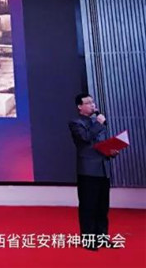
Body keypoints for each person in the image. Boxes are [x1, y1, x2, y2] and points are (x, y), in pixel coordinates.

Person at [68, 93, 119, 250]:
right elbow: (85, 138)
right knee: (88, 206)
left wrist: (111, 150)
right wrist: (98, 123)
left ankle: (102, 237)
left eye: (93, 102)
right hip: (88, 171)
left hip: (103, 169)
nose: (92, 105)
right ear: (80, 107)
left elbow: (101, 144)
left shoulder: (98, 123)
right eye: (88, 102)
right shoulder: (76, 123)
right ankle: (89, 240)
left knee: (102, 207)